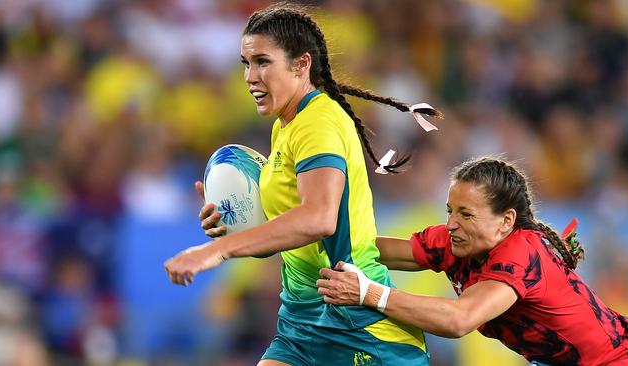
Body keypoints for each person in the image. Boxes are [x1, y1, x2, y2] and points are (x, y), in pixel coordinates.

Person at [164, 3, 441, 365]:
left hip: (357, 323)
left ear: (301, 64)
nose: (250, 76)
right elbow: (294, 236)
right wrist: (234, 225)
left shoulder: (318, 123)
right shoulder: (286, 124)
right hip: (301, 320)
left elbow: (319, 218)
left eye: (263, 62)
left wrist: (219, 251)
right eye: (246, 63)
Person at [317, 156, 628, 366]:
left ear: (505, 221)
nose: (450, 224)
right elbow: (375, 251)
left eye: (465, 214)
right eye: (450, 211)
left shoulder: (524, 253)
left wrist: (367, 293)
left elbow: (459, 320)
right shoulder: (459, 240)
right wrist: (319, 232)